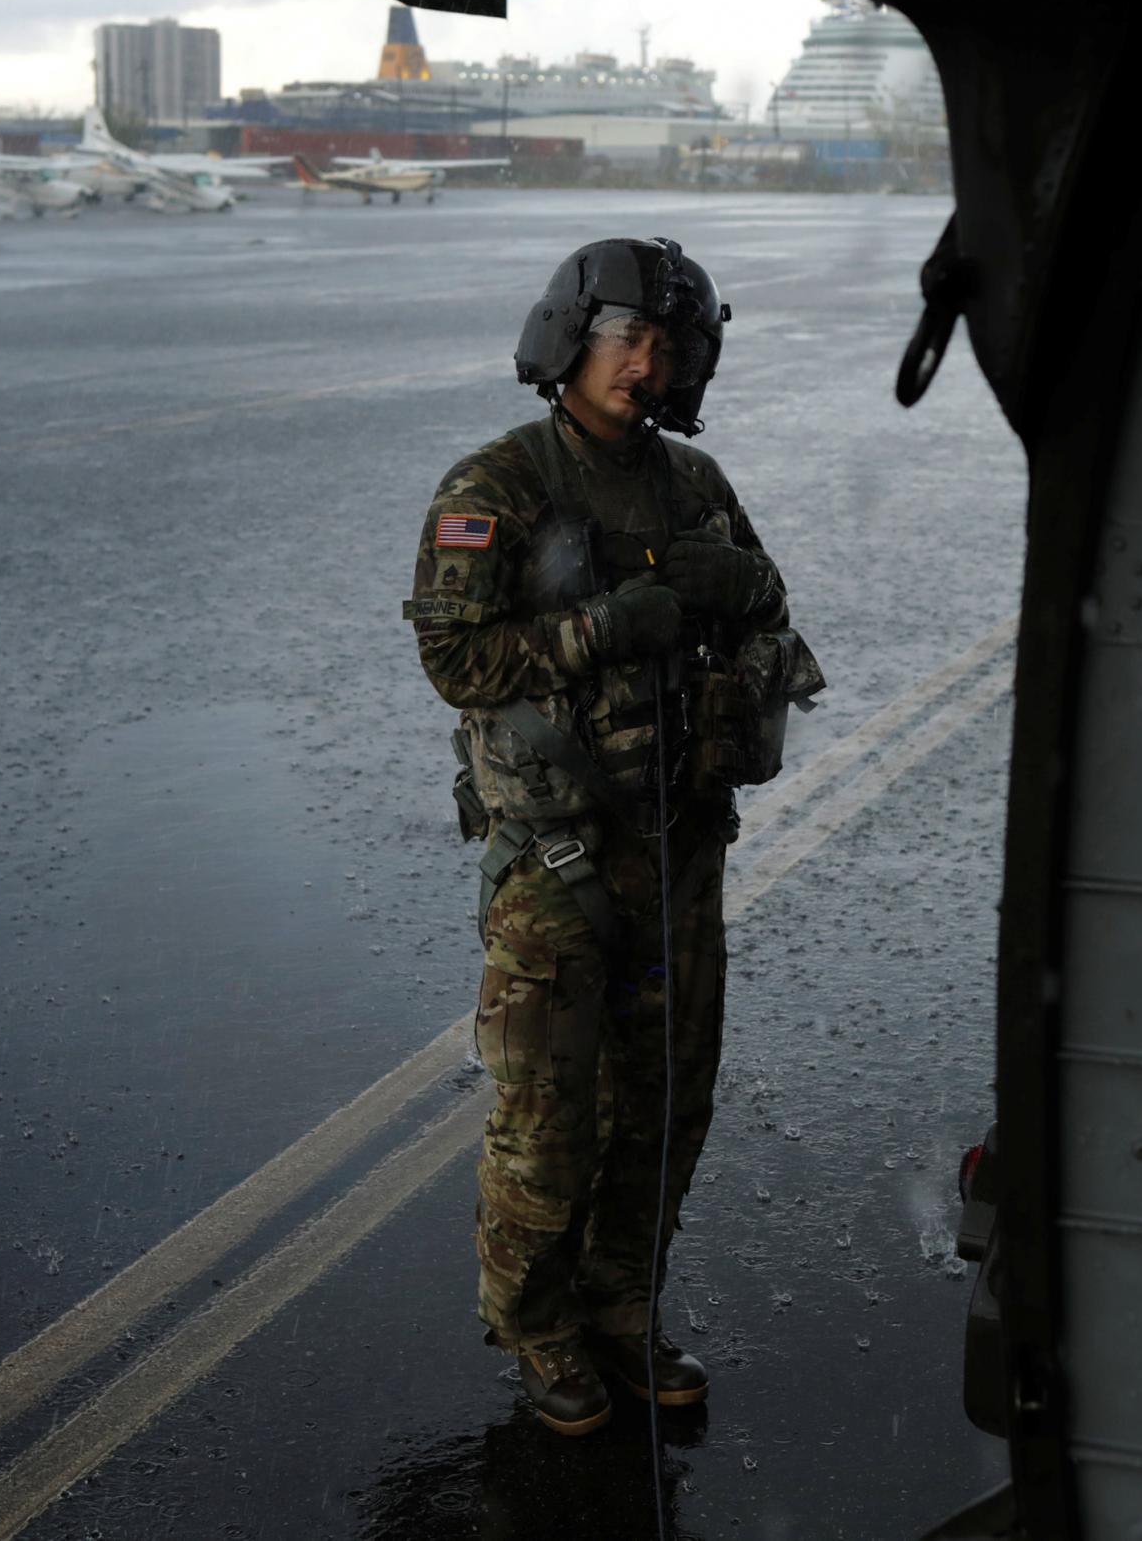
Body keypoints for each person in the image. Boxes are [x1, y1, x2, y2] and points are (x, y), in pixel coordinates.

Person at [405, 236, 821, 1435]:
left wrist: (732, 606)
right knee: (548, 1113)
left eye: (667, 345)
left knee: (664, 1103)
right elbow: (455, 658)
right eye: (625, 340)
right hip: (557, 858)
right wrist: (600, 630)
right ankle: (539, 1332)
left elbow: (770, 611)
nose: (646, 365)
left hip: (681, 842)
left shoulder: (694, 487)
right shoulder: (498, 485)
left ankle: (621, 1313)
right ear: (569, 343)